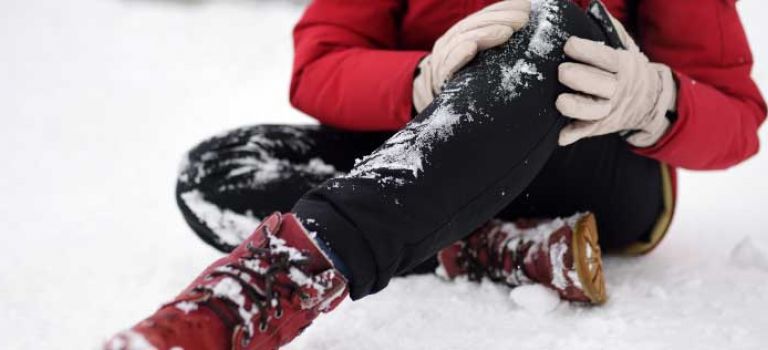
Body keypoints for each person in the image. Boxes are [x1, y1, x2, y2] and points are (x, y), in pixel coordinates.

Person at [105, 0, 765, 349]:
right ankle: (489, 247)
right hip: (431, 149)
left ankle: (258, 292)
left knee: (553, 26)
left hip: (596, 167)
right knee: (220, 170)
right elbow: (318, 65)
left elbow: (737, 117)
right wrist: (422, 78)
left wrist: (657, 99)